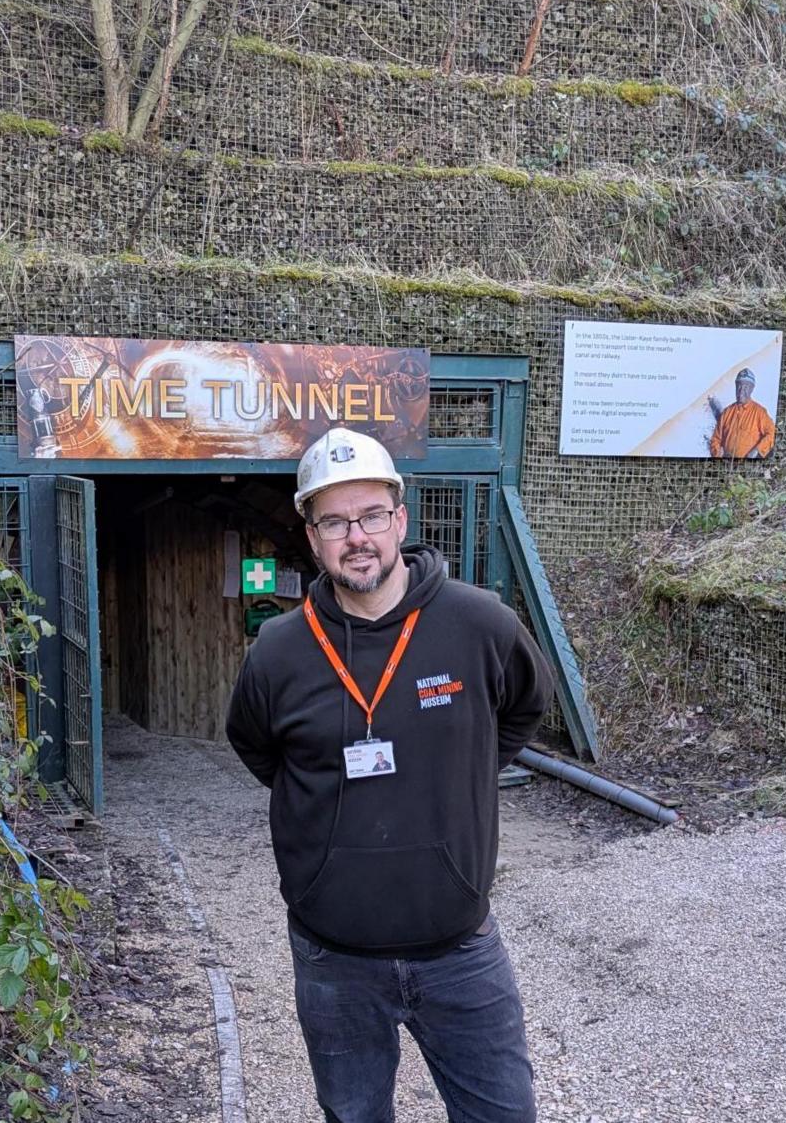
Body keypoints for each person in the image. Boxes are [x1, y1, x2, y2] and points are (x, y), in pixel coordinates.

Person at [225, 426, 553, 1123]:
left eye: (372, 514)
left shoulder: (480, 624)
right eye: (335, 521)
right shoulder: (278, 653)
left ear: (400, 520)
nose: (357, 536)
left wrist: (458, 769)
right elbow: (257, 748)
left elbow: (525, 709)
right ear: (311, 536)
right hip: (333, 957)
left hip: (460, 948)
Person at [707, 366, 776, 459]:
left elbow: (772, 433)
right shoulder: (727, 412)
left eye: (746, 387)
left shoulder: (759, 412)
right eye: (739, 386)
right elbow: (715, 439)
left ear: (752, 389)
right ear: (735, 387)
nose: (741, 390)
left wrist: (757, 450)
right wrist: (717, 453)